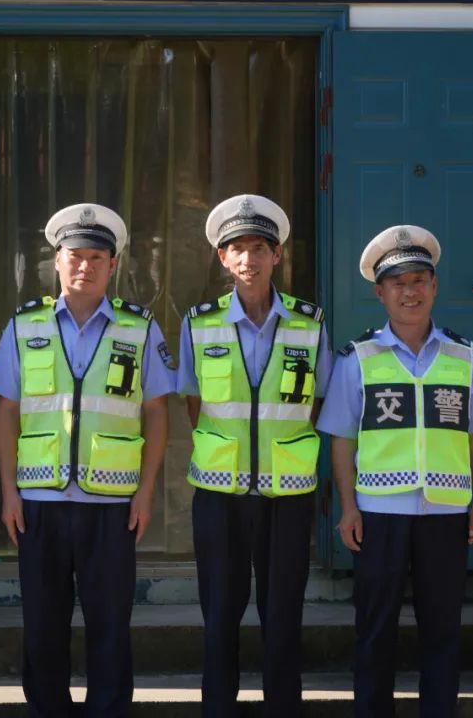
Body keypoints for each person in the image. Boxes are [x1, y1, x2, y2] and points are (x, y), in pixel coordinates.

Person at [0, 203, 173, 718]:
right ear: (57, 261)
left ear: (112, 265)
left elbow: (157, 413)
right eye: (75, 256)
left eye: (96, 257)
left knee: (110, 626)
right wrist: (8, 493)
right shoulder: (24, 326)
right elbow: (6, 411)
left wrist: (145, 492)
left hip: (112, 504)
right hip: (39, 502)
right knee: (42, 626)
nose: (85, 266)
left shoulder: (139, 329)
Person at [316, 224, 473, 718]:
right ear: (379, 293)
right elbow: (342, 438)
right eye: (398, 283)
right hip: (378, 515)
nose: (410, 292)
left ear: (434, 286)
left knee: (442, 630)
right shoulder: (358, 359)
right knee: (374, 629)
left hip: (446, 514)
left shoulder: (464, 356)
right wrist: (348, 508)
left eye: (419, 281)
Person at [177, 194, 332, 717]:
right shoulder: (199, 324)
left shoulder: (309, 324)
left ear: (277, 255)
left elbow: (317, 403)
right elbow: (194, 403)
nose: (249, 259)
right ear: (222, 258)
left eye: (260, 248)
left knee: (282, 615)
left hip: (288, 492)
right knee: (219, 615)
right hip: (219, 492)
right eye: (238, 249)